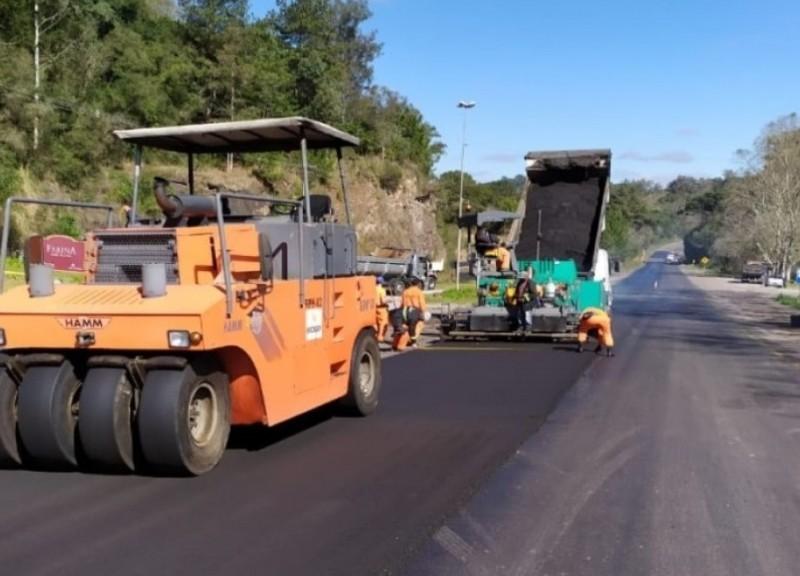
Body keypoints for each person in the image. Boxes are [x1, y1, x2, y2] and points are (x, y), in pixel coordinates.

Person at [392, 277, 427, 350]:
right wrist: (424, 313)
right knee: (417, 326)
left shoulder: (405, 291)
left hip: (404, 311)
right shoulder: (418, 292)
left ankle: (398, 343)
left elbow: (402, 304)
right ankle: (413, 341)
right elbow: (422, 303)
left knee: (404, 327)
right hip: (415, 312)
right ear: (418, 284)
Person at [375, 276, 389, 342]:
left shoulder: (372, 289)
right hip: (381, 308)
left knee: (376, 323)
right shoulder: (382, 290)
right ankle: (380, 337)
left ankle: (376, 335)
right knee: (383, 323)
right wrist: (388, 302)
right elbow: (383, 301)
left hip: (374, 308)